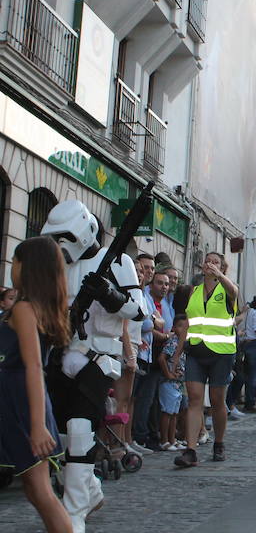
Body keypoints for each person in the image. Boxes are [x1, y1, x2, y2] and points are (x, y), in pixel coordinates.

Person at [41, 201, 147, 532]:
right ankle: (91, 490)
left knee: (79, 428)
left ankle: (73, 510)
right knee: (61, 433)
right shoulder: (59, 267)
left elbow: (139, 311)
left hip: (99, 357)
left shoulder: (118, 262)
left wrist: (108, 294)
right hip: (63, 353)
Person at [0, 237, 72, 532]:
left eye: (15, 261)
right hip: (21, 402)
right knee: (35, 489)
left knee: (40, 491)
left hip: (21, 403)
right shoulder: (33, 307)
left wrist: (37, 424)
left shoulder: (24, 309)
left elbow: (33, 366)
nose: (12, 268)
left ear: (27, 267)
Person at [175, 252, 239, 467]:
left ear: (222, 267)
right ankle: (190, 450)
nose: (210, 264)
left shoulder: (227, 289)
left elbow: (235, 291)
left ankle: (219, 443)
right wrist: (177, 355)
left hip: (221, 353)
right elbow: (187, 324)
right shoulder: (194, 291)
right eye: (208, 261)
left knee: (216, 401)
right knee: (194, 399)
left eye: (216, 262)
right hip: (196, 352)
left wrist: (220, 275)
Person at [133, 268, 172, 452]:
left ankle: (146, 435)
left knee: (150, 400)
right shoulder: (144, 298)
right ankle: (138, 437)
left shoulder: (164, 303)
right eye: (160, 283)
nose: (164, 287)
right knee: (138, 399)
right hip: (143, 352)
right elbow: (146, 324)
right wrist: (165, 336)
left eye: (167, 283)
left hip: (154, 355)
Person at [158, 314, 187, 451]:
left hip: (179, 383)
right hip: (169, 382)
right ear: (174, 328)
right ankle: (164, 441)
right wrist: (168, 374)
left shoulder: (184, 343)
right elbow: (162, 358)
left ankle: (172, 439)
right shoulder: (173, 341)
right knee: (167, 412)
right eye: (180, 326)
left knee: (175, 413)